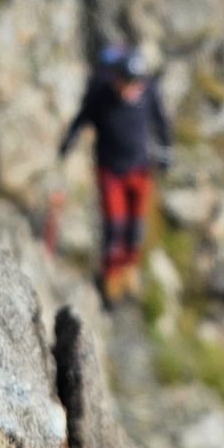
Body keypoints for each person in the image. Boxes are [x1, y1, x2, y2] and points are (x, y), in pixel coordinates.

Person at [56, 45, 171, 305]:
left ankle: (130, 270)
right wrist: (69, 141)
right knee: (114, 225)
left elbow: (161, 122)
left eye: (135, 82)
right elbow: (82, 118)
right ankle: (111, 277)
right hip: (111, 171)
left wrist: (166, 152)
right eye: (125, 81)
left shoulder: (149, 93)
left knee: (135, 226)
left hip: (140, 169)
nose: (130, 88)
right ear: (116, 78)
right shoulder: (101, 95)